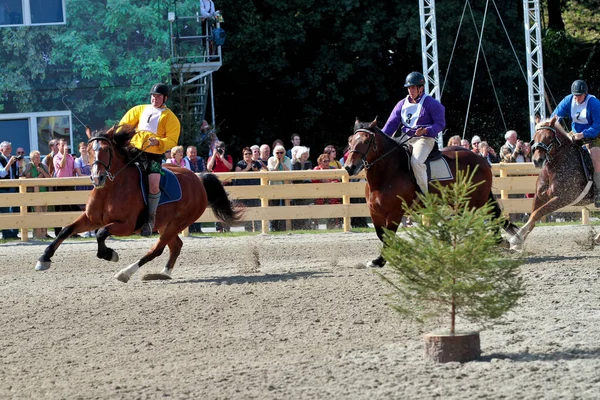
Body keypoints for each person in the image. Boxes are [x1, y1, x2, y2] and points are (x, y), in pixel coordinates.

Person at [119, 83, 181, 236]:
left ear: (165, 98)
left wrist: (159, 142)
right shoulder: (139, 109)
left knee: (154, 185)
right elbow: (123, 125)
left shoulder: (170, 117)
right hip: (133, 150)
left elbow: (172, 140)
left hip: (153, 154)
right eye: (153, 95)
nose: (155, 98)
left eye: (159, 96)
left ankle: (150, 219)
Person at [382, 71, 446, 194]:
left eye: (413, 88)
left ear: (421, 88)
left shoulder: (432, 103)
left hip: (424, 139)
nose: (410, 91)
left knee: (415, 162)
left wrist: (426, 130)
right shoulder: (401, 104)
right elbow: (391, 125)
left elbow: (440, 123)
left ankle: (424, 194)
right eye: (408, 88)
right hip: (406, 137)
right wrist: (381, 138)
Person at [552, 79, 600, 207]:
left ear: (585, 94)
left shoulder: (594, 103)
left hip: (594, 136)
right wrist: (562, 131)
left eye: (579, 96)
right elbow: (555, 117)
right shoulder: (568, 99)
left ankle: (598, 191)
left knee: (596, 158)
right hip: (574, 135)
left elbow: (597, 126)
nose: (577, 98)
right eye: (575, 95)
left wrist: (583, 134)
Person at [23, 150, 51, 239]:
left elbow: (49, 178)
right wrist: (35, 178)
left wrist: (42, 171)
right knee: (36, 213)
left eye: (39, 157)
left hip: (44, 192)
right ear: (32, 159)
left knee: (44, 213)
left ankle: (44, 233)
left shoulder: (44, 166)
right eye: (36, 157)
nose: (39, 159)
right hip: (33, 194)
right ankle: (37, 233)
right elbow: (25, 177)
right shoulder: (28, 166)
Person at [234, 147, 262, 231]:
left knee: (256, 209)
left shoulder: (256, 163)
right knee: (247, 210)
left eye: (249, 154)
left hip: (255, 190)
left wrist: (256, 170)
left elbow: (264, 172)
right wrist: (247, 169)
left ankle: (258, 228)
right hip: (244, 191)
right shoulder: (240, 163)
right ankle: (248, 229)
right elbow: (236, 174)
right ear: (243, 155)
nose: (248, 155)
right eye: (246, 154)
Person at [0, 141, 19, 240]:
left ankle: (14, 233)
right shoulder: (0, 159)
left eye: (10, 148)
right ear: (1, 150)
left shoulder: (13, 159)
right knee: (5, 211)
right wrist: (9, 163)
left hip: (14, 187)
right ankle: (6, 234)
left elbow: (16, 174)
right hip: (3, 189)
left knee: (16, 209)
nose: (9, 150)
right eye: (7, 149)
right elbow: (2, 174)